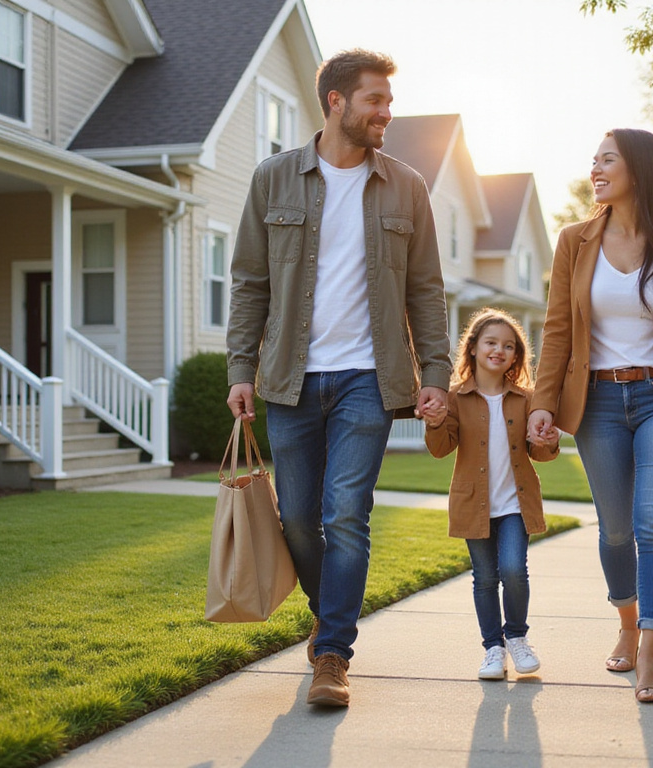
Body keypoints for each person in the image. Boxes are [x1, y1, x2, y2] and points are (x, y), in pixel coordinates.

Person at [225, 49, 450, 708]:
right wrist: (241, 366)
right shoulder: (273, 179)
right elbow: (249, 282)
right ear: (335, 102)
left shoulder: (406, 185)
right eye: (375, 100)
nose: (386, 112)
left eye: (388, 101)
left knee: (345, 514)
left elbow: (427, 292)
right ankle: (330, 622)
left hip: (368, 379)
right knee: (298, 521)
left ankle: (332, 656)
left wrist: (434, 372)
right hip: (291, 380)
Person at [526, 128, 653, 704]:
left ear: (639, 170)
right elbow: (558, 330)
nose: (595, 168)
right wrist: (543, 403)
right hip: (595, 401)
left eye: (607, 159)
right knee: (616, 528)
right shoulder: (575, 240)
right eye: (593, 159)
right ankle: (626, 622)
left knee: (652, 524)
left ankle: (650, 652)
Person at [421, 309, 559, 680]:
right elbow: (440, 448)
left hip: (516, 503)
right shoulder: (455, 398)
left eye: (508, 346)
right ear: (473, 348)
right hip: (473, 504)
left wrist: (549, 440)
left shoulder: (527, 399)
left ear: (516, 356)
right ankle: (492, 649)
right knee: (484, 578)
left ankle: (516, 636)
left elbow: (541, 453)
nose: (499, 350)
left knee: (513, 570)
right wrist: (435, 423)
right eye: (491, 343)